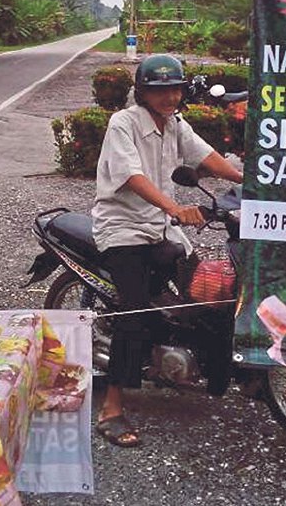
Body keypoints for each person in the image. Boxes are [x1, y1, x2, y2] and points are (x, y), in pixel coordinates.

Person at [92, 54, 243, 447]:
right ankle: (112, 408)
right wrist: (174, 208)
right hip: (123, 230)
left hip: (162, 230)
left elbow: (206, 157)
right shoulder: (122, 123)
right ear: (142, 92)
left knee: (206, 295)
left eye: (174, 89)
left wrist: (252, 180)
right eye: (159, 90)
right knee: (135, 313)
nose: (169, 97)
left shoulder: (175, 125)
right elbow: (132, 176)